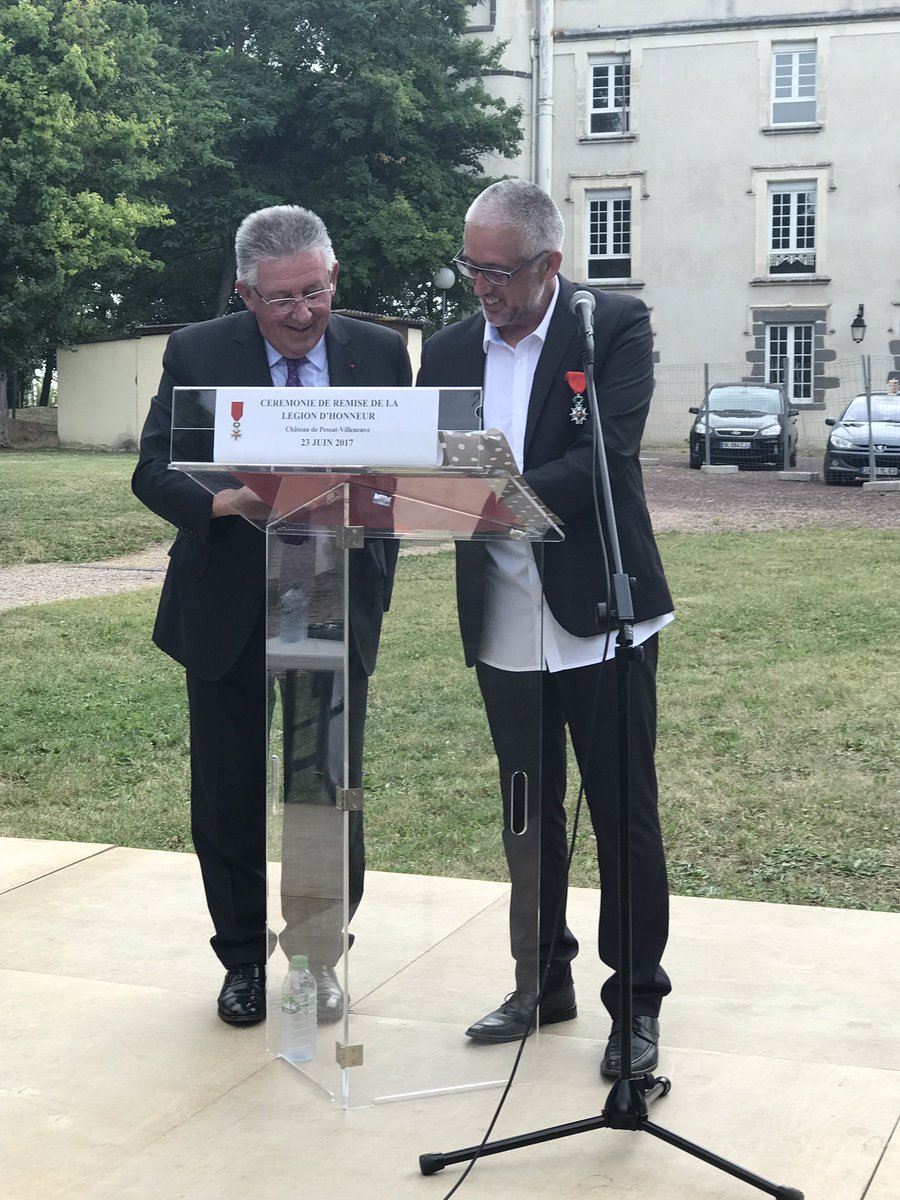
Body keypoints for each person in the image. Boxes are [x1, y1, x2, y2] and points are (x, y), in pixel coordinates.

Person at [417, 179, 673, 1079]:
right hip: (499, 611)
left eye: (500, 270)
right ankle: (540, 977)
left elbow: (604, 454)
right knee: (528, 808)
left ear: (550, 263)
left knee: (620, 812)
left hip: (598, 608)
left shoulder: (611, 327)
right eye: (471, 268)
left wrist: (494, 495)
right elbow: (426, 458)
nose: (482, 287)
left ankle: (635, 1006)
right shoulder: (448, 347)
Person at [132, 205, 412, 1026]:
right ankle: (243, 960)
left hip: (332, 589)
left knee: (325, 786)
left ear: (335, 279)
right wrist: (226, 502)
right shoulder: (197, 351)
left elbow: (411, 465)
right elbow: (152, 469)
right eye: (280, 298)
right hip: (227, 597)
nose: (300, 315)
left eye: (314, 293)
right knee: (227, 790)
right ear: (247, 293)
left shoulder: (382, 352)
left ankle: (319, 959)